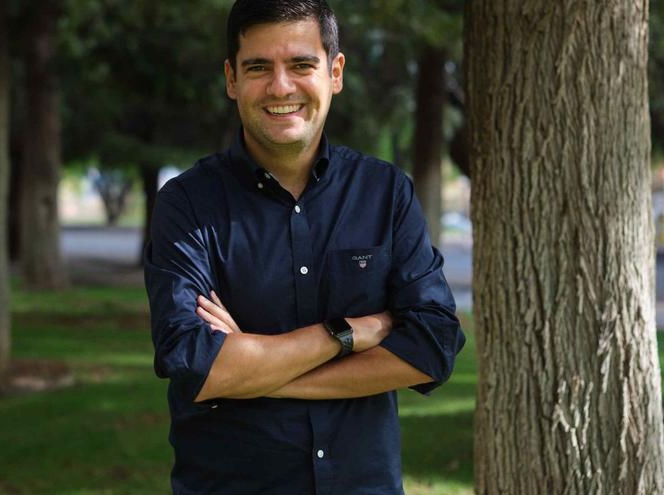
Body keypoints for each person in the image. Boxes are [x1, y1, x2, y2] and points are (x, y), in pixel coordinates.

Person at [143, 1, 465, 493]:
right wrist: (349, 333)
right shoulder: (187, 205)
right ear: (231, 79)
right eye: (258, 67)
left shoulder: (385, 193)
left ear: (334, 72)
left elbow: (433, 346)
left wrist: (254, 373)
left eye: (301, 64)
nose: (280, 87)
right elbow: (195, 365)